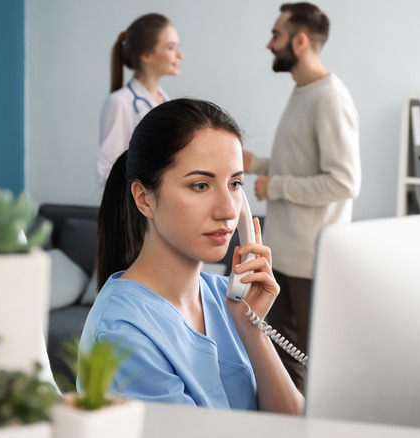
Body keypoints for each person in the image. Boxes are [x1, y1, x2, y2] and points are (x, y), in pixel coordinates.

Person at [80, 98, 304, 414]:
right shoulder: (122, 333)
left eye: (235, 184)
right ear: (144, 199)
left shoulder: (225, 299)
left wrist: (252, 328)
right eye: (200, 185)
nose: (228, 210)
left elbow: (295, 425)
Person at [242, 2, 361, 394]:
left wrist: (274, 186)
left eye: (275, 35)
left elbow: (344, 182)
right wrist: (258, 164)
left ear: (301, 40)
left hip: (311, 262)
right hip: (287, 257)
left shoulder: (330, 97)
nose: (268, 44)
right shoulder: (304, 92)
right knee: (282, 363)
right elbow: (303, 162)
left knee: (311, 367)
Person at [96, 13, 183, 185]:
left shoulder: (166, 101)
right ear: (147, 55)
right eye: (171, 47)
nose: (180, 55)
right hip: (137, 207)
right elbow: (106, 173)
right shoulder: (120, 102)